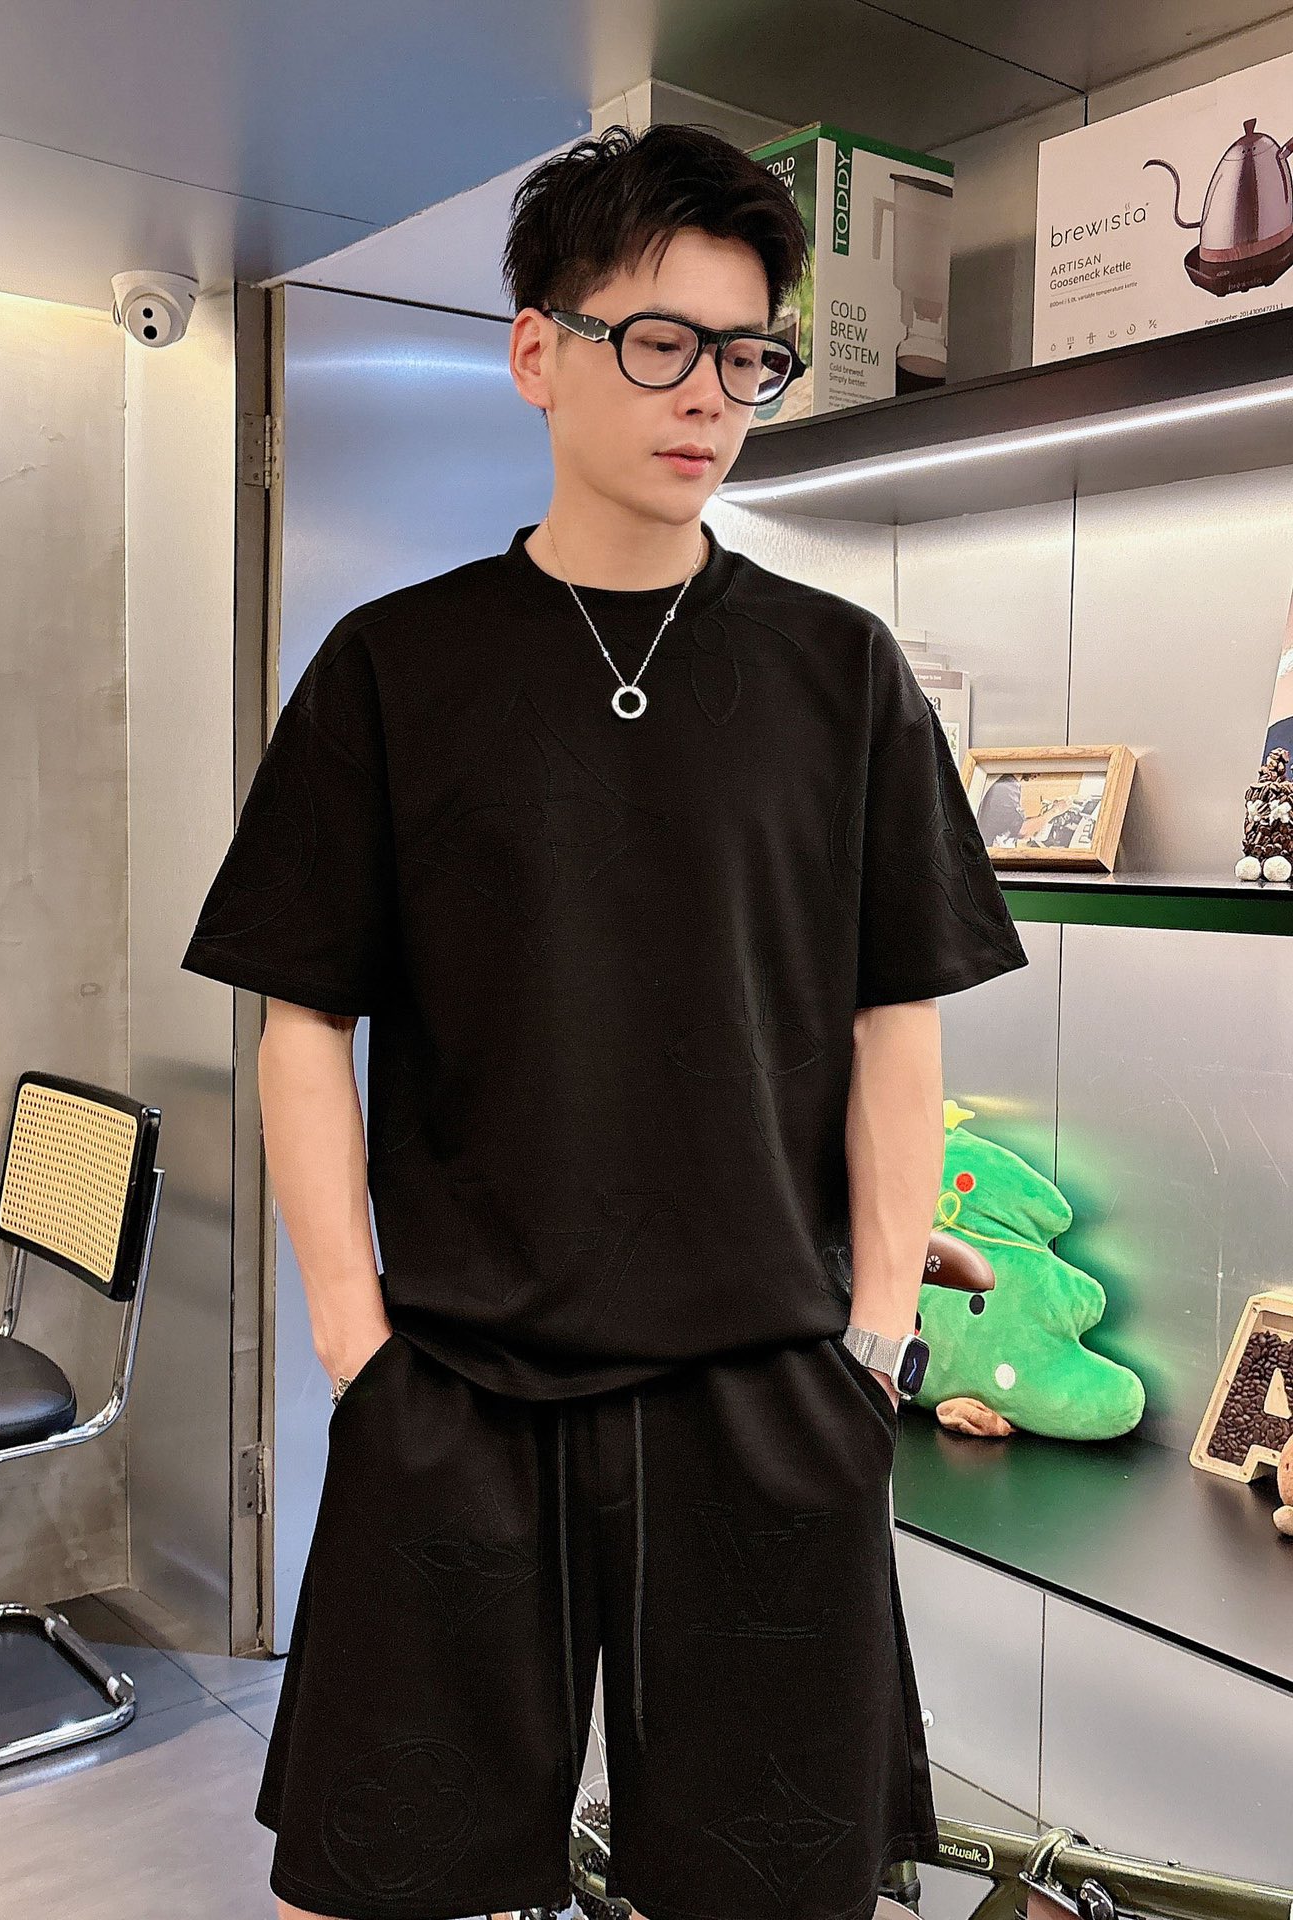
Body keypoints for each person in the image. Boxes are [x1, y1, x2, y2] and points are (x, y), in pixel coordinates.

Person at [180, 121, 1030, 1920]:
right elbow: (300, 1016)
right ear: (537, 350)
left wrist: (876, 1340)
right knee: (365, 1878)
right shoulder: (393, 666)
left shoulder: (842, 674)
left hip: (767, 1387)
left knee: (780, 1889)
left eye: (748, 355)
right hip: (458, 1383)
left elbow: (897, 1023)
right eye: (659, 341)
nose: (709, 393)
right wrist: (354, 1341)